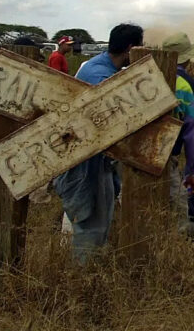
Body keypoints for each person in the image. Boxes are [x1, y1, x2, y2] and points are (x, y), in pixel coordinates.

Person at [54, 23, 144, 262]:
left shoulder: (103, 69)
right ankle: (81, 285)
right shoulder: (99, 76)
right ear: (130, 49)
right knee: (89, 227)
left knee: (97, 226)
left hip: (97, 163)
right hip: (85, 165)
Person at [162, 32, 194, 219]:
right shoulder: (188, 85)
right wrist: (193, 171)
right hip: (166, 158)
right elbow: (192, 133)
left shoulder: (149, 75)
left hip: (130, 158)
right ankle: (172, 246)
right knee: (177, 214)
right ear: (187, 59)